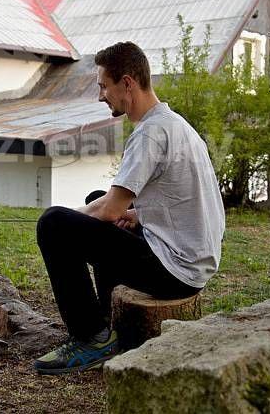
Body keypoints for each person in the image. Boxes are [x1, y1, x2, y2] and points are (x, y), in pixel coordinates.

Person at [33, 41, 225, 375]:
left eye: (103, 86)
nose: (100, 96)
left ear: (127, 83)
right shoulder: (173, 123)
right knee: (99, 199)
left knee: (53, 224)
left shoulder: (150, 134)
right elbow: (180, 198)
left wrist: (70, 219)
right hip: (193, 258)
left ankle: (91, 338)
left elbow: (107, 212)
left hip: (177, 271)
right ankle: (106, 320)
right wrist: (139, 215)